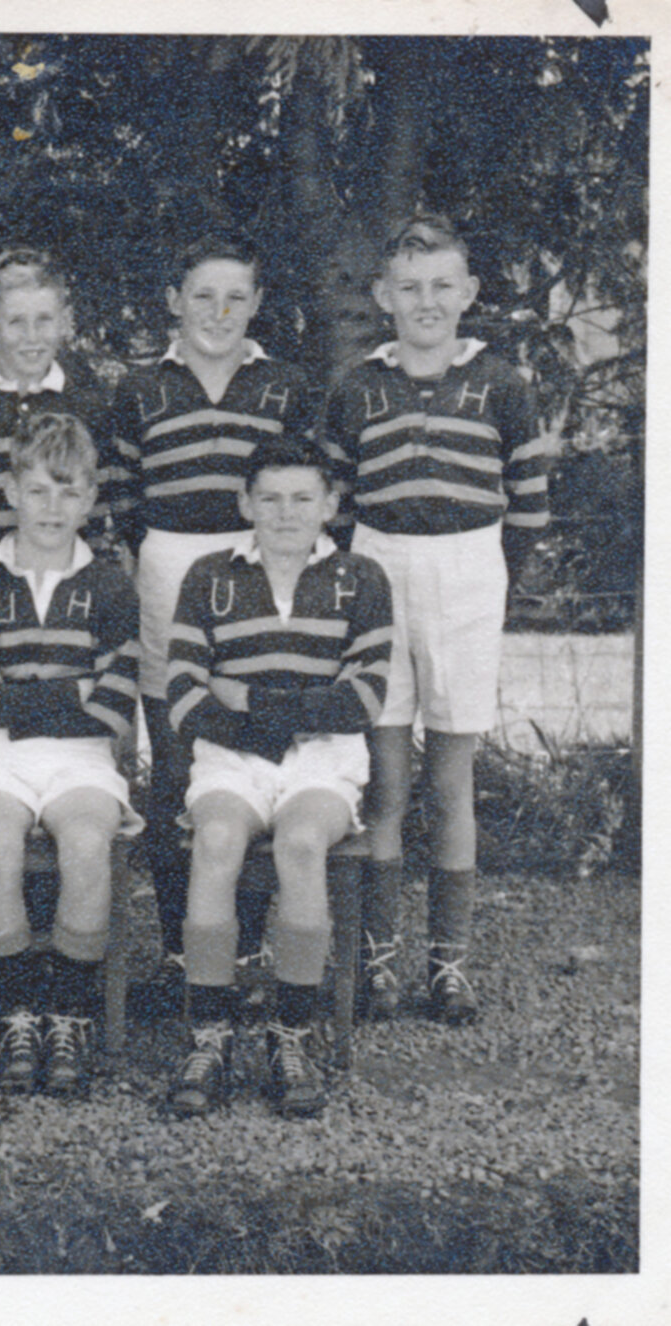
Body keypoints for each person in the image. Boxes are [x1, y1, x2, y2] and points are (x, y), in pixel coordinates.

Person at [329, 214, 552, 1027]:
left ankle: (448, 967)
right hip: (380, 565)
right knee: (386, 777)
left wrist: (489, 576)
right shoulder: (359, 385)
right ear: (386, 297)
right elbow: (338, 500)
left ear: (469, 294)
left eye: (442, 287)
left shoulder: (504, 384)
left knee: (450, 779)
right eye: (410, 288)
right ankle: (380, 962)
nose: (427, 302)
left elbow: (527, 507)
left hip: (468, 568)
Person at [108, 236, 326, 998]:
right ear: (174, 301)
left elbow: (309, 484)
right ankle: (179, 946)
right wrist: (155, 566)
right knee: (176, 762)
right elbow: (122, 497)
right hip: (168, 565)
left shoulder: (287, 386)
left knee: (254, 751)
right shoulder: (140, 391)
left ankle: (247, 948)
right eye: (203, 295)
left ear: (259, 305)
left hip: (262, 565)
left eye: (236, 297)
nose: (219, 312)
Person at [162, 436, 393, 1119]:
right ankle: (209, 1036)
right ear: (245, 503)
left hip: (324, 759)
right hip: (231, 758)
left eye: (302, 498)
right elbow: (183, 696)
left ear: (330, 503)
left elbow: (365, 698)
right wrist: (289, 708)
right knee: (217, 844)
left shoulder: (361, 578)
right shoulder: (210, 576)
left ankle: (289, 1035)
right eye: (269, 498)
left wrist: (250, 699)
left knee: (300, 846)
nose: (286, 513)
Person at [0, 414, 141, 1098]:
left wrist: (22, 690)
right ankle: (17, 1015)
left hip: (84, 759)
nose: (52, 508)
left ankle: (68, 1014)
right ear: (11, 491)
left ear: (89, 499)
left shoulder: (112, 585)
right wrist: (69, 690)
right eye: (38, 490)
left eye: (68, 492)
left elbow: (113, 704)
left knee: (87, 845)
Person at [0, 249, 125, 566]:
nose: (31, 337)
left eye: (44, 321)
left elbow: (97, 506)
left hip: (63, 569)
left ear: (65, 322)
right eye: (16, 322)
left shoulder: (88, 409)